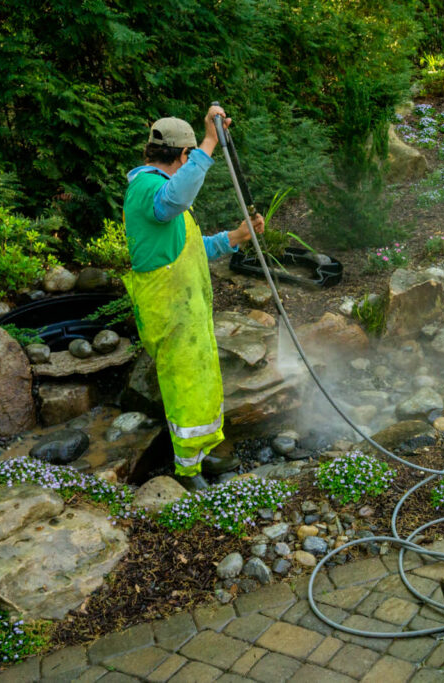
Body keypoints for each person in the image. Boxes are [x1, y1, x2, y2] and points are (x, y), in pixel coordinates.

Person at [122, 104, 264, 491]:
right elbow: (173, 200)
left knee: (202, 381)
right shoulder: (147, 189)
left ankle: (202, 452)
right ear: (184, 155)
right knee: (185, 386)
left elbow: (194, 246)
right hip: (169, 311)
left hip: (188, 311)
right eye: (192, 157)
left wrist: (237, 237)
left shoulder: (164, 195)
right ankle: (188, 471)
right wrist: (210, 142)